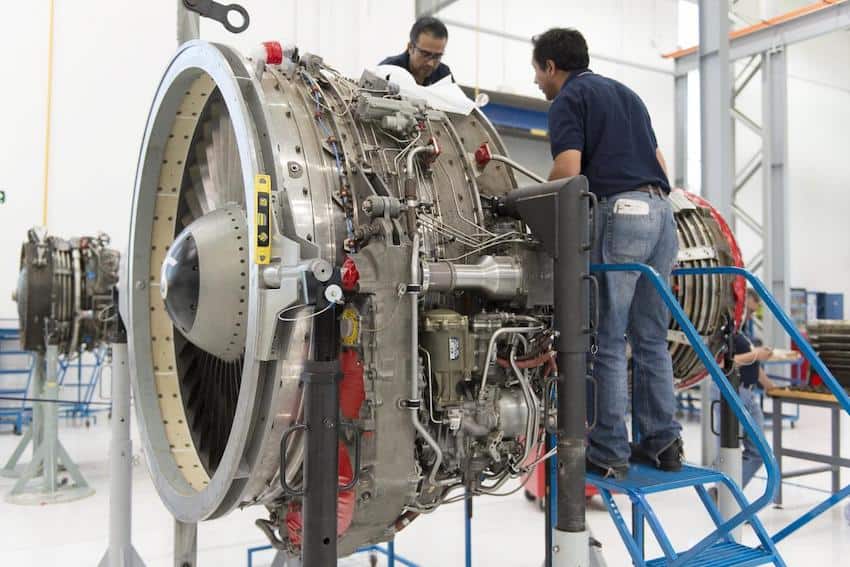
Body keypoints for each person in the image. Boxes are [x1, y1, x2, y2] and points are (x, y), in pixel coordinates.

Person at [531, 28, 681, 479]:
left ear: (552, 67)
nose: (537, 82)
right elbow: (660, 163)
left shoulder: (568, 100)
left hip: (621, 215)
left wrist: (524, 203)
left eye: (537, 72)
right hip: (661, 214)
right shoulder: (629, 95)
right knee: (652, 338)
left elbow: (569, 172)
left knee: (606, 338)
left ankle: (610, 451)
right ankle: (663, 444)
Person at [712, 291, 777, 491]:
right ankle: (724, 495)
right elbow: (722, 363)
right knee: (729, 450)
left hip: (748, 394)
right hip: (732, 393)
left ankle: (725, 493)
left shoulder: (742, 331)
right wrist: (756, 354)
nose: (753, 307)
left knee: (759, 451)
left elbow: (752, 366)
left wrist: (772, 387)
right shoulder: (722, 330)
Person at [380, 16, 453, 86]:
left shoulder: (444, 76)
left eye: (437, 56)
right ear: (410, 48)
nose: (430, 63)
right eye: (425, 54)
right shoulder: (387, 70)